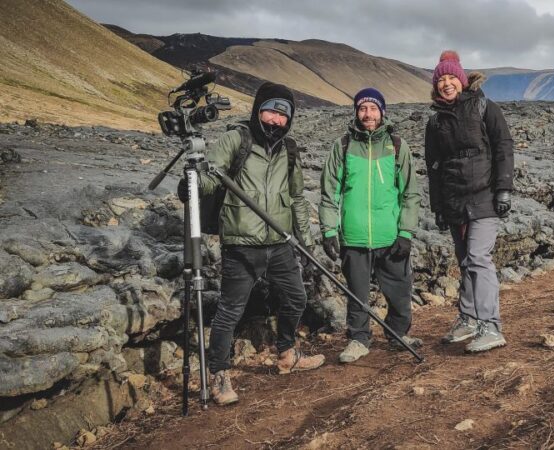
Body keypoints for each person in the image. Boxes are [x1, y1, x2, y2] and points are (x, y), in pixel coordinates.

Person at [181, 81, 324, 405]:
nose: (276, 120)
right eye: (271, 111)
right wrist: (191, 183)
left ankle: (287, 353)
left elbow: (297, 197)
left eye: (283, 115)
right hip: (241, 243)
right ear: (259, 110)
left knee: (296, 298)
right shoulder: (237, 139)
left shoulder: (289, 149)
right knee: (230, 311)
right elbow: (209, 176)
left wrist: (307, 240)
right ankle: (219, 376)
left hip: (279, 242)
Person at [319, 87, 421, 364]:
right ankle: (358, 339)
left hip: (390, 236)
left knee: (399, 291)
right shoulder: (342, 146)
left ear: (382, 112)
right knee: (357, 293)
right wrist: (329, 230)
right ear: (356, 112)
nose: (368, 114)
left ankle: (399, 334)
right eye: (363, 108)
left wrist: (406, 232)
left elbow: (410, 193)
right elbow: (329, 192)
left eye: (373, 108)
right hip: (354, 237)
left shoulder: (397, 146)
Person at [424, 51, 514, 353]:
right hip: (454, 200)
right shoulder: (435, 121)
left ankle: (491, 325)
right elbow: (433, 166)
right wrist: (438, 206)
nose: (447, 84)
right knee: (464, 262)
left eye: (451, 78)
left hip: (484, 195)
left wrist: (504, 189)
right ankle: (469, 317)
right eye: (441, 80)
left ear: (462, 80)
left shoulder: (484, 107)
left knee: (478, 258)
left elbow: (503, 146)